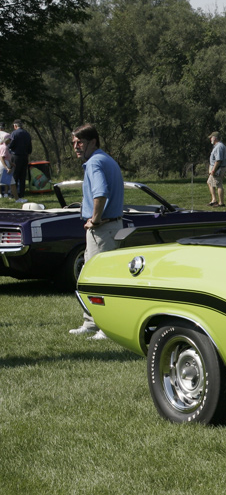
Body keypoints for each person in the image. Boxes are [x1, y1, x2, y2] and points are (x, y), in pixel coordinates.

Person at [68, 124, 124, 340]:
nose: (76, 146)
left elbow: (100, 193)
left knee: (100, 280)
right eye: (74, 143)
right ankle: (91, 322)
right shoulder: (104, 160)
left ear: (93, 141)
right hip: (108, 228)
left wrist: (95, 219)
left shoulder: (94, 162)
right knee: (88, 278)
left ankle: (106, 328)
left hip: (103, 229)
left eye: (80, 142)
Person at [9, 119, 32, 202]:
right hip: (25, 156)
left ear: (15, 126)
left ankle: (13, 194)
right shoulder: (27, 134)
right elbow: (30, 146)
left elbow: (11, 145)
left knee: (15, 175)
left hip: (16, 156)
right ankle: (21, 193)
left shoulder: (14, 133)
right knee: (22, 176)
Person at [207, 132, 226, 207]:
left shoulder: (219, 147)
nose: (210, 139)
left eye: (211, 137)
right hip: (216, 167)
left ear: (215, 138)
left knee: (218, 184)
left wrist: (214, 170)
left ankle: (221, 203)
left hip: (218, 168)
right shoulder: (217, 146)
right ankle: (214, 200)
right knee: (209, 182)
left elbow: (218, 160)